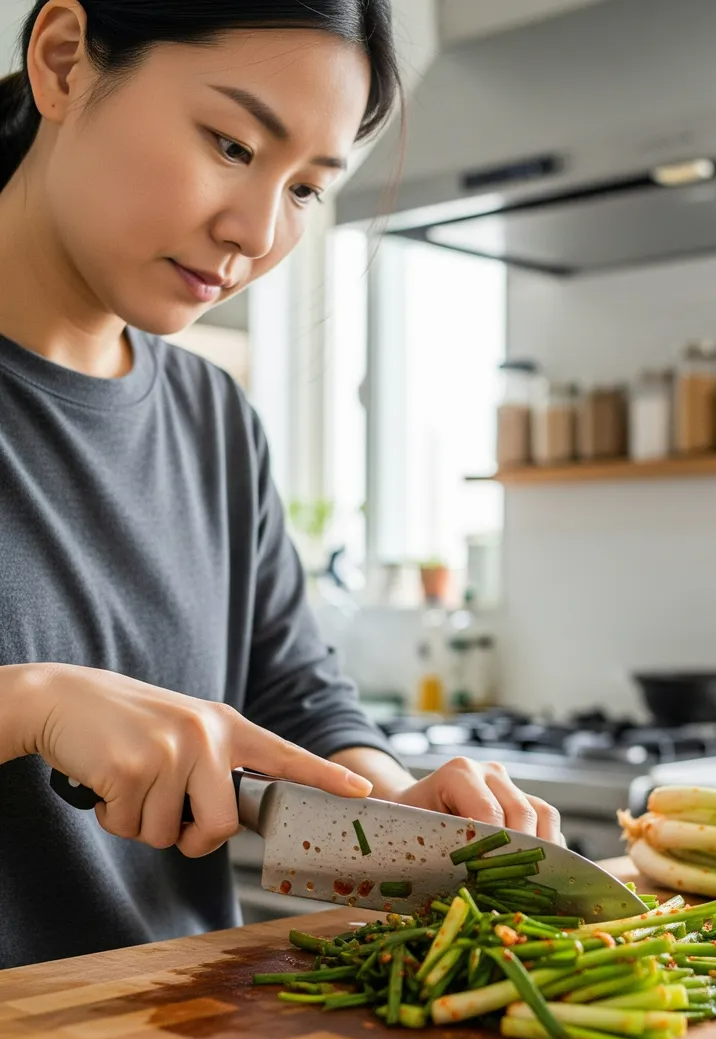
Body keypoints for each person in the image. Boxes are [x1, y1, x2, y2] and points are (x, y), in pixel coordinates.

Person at [0, 0, 561, 970]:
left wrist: (384, 801)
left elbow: (293, 690)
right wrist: (28, 704)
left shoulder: (214, 415)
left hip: (168, 1031)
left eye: (306, 188)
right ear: (62, 61)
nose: (255, 230)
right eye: (231, 143)